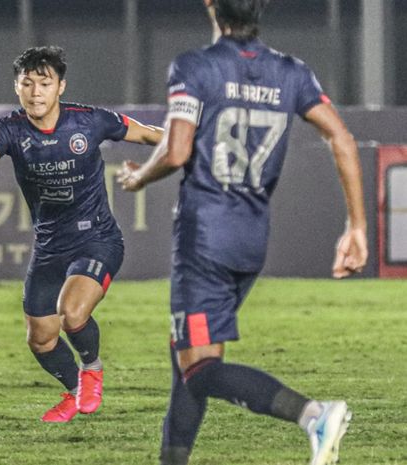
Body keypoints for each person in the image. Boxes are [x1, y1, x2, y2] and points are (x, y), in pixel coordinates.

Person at [116, 1, 367, 464]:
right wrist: (356, 226)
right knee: (186, 356)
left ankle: (313, 415)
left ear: (212, 5)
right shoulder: (291, 72)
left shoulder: (196, 67)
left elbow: (175, 151)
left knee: (200, 369)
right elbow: (343, 139)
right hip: (250, 239)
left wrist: (137, 178)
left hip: (204, 238)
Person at [0, 46, 163, 422]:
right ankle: (73, 393)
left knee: (71, 313)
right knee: (41, 339)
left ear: (60, 87)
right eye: (28, 83)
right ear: (17, 87)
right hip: (50, 247)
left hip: (97, 239)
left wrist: (188, 144)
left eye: (45, 83)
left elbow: (151, 136)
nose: (36, 92)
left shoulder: (90, 121)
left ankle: (92, 369)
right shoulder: (8, 130)